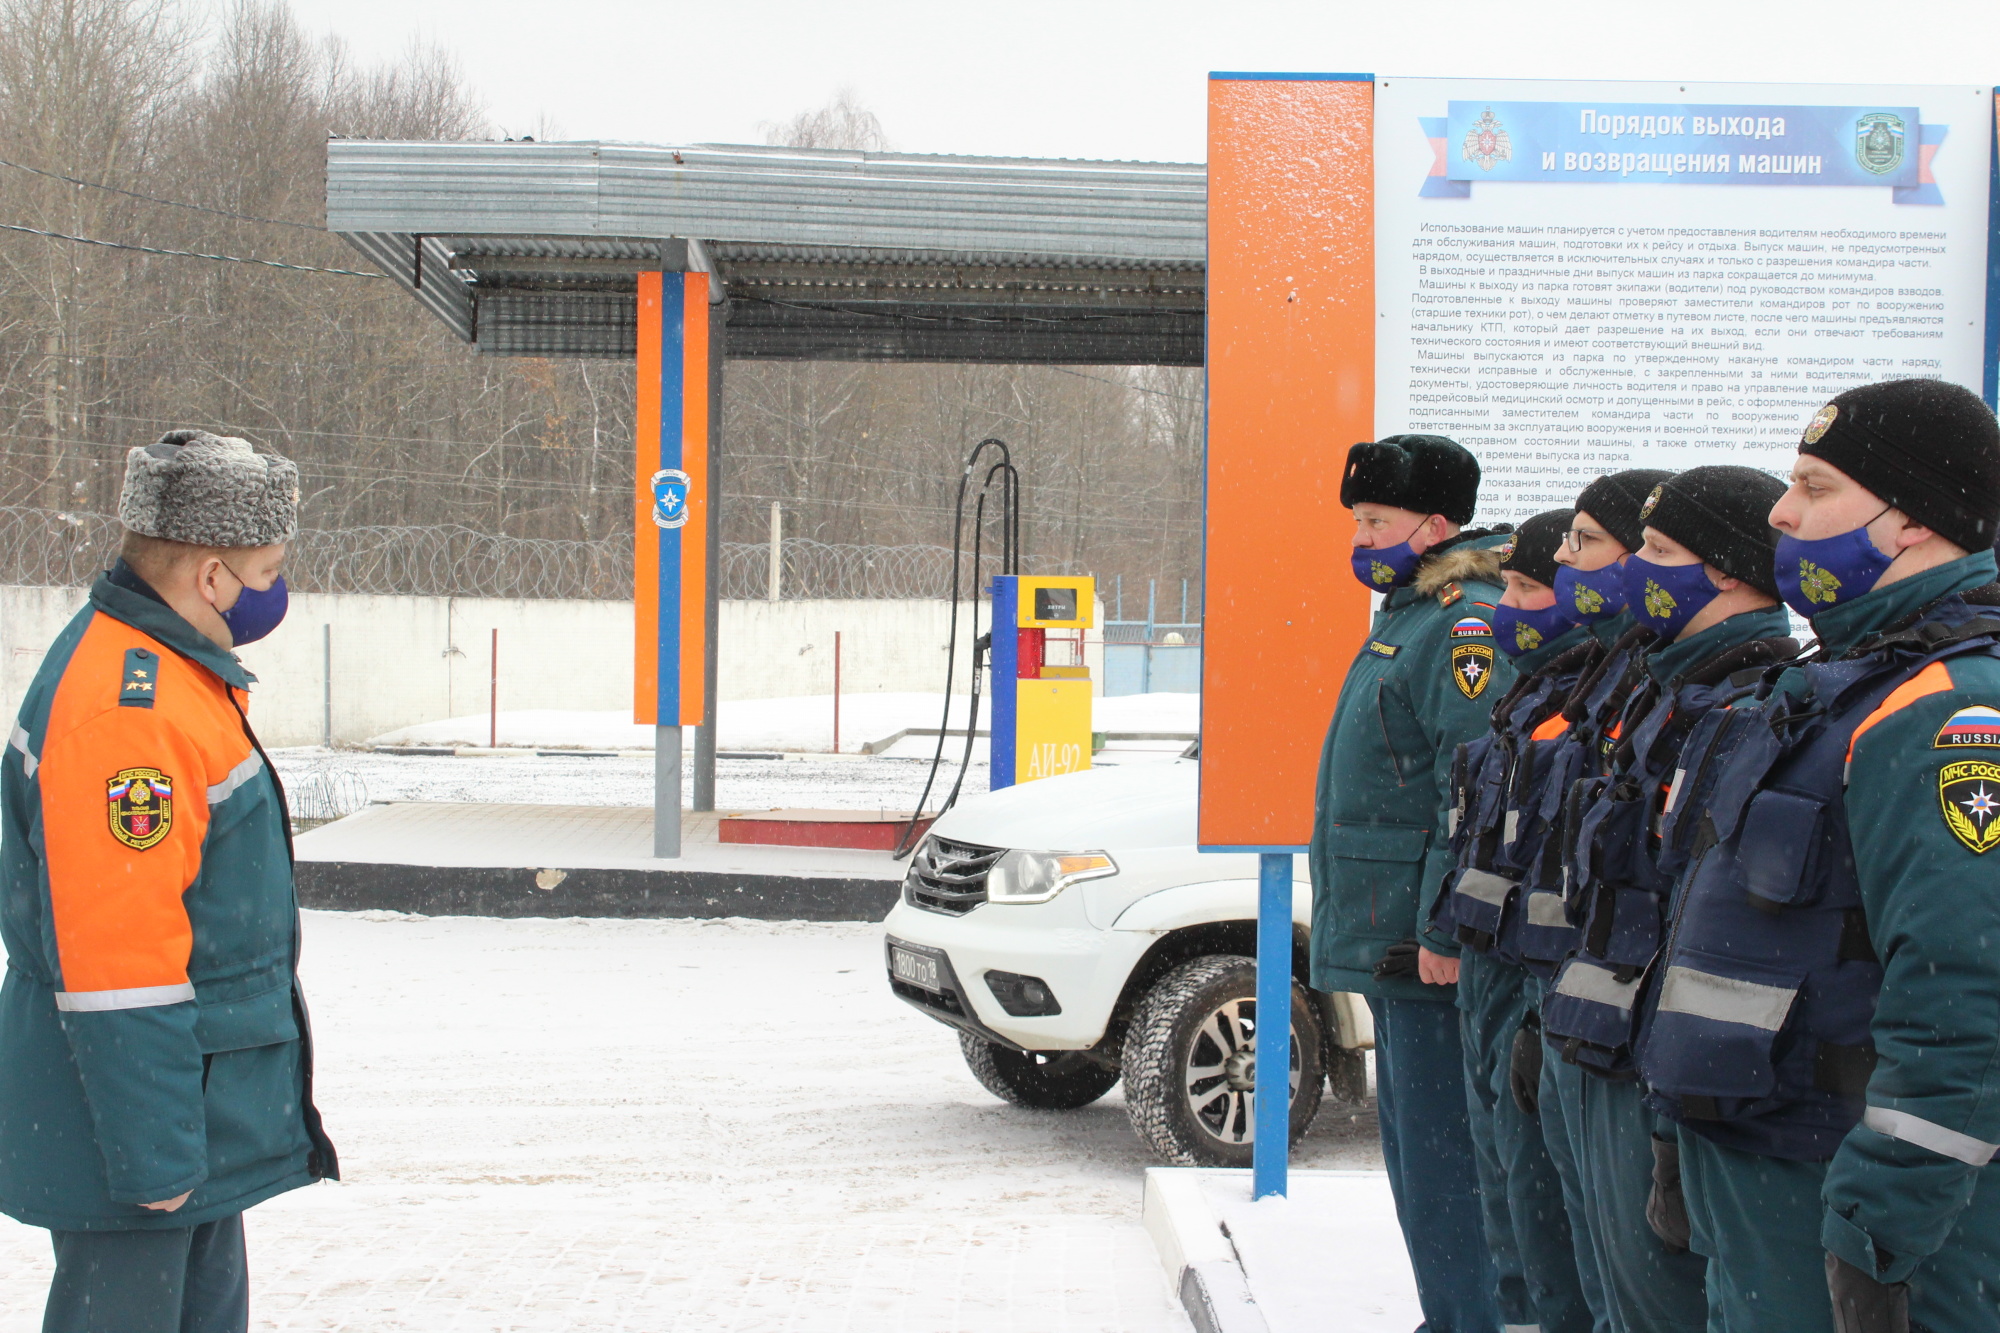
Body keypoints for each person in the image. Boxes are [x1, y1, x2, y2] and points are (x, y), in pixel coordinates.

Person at [1636, 379, 2000, 1333]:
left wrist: (1882, 1222)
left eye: (1815, 485)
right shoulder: (1824, 692)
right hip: (1758, 1170)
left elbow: (1966, 996)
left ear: (1911, 519)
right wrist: (1679, 1121)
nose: (1781, 513)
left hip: (1843, 1193)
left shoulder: (1946, 712)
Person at [0, 430, 337, 1333]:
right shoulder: (128, 714)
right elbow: (120, 965)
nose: (278, 587)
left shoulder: (177, 677)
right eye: (266, 567)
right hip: (144, 1135)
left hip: (187, 1117)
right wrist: (156, 1158)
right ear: (212, 577)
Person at [1542, 465, 1797, 1333]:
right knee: (1609, 1299)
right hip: (1602, 1049)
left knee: (1660, 1309)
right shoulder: (1664, 685)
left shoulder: (1751, 703)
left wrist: (1665, 1118)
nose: (1634, 572)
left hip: (1656, 1078)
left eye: (1657, 551)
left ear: (1723, 568)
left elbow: (1708, 929)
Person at [1309, 433, 1514, 1332]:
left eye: (1375, 519)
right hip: (1394, 941)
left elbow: (1468, 783)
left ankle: (1469, 1318)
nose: (1361, 536)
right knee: (1418, 1160)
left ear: (1435, 525)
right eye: (1357, 518)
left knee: (1448, 1165)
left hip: (1423, 948)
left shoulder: (1461, 623)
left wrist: (1442, 925)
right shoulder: (1409, 614)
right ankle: (1452, 1312)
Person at [1435, 508, 1600, 1333]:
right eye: (1508, 583)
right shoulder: (1525, 704)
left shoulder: (1598, 716)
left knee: (1554, 1237)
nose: (1508, 605)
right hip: (1503, 995)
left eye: (1529, 586)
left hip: (1551, 1010)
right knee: (1514, 1217)